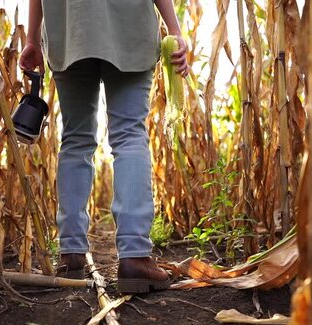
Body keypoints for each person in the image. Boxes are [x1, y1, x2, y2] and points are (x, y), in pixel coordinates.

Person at [19, 0, 189, 293]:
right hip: (128, 27)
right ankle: (135, 256)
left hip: (70, 30)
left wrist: (33, 38)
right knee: (129, 135)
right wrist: (174, 28)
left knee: (75, 139)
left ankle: (71, 254)